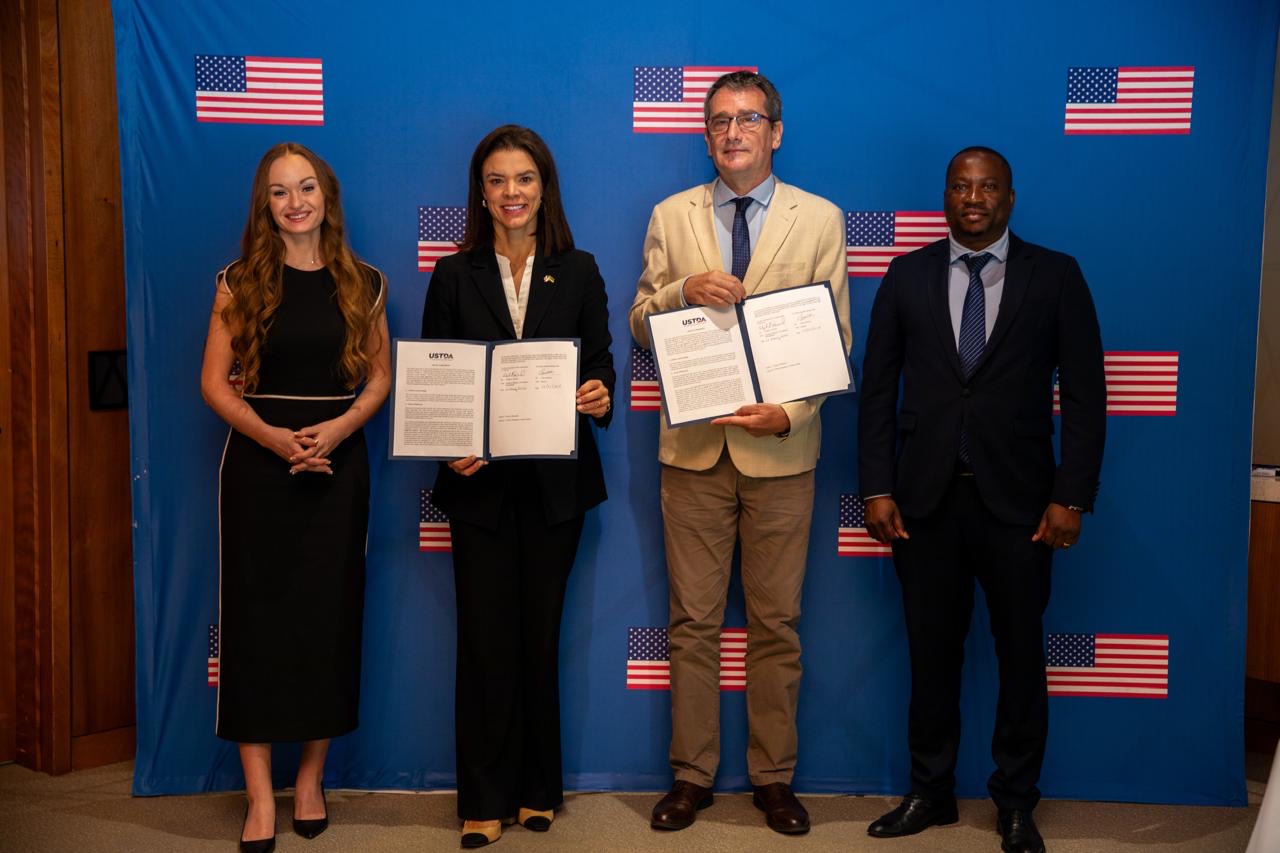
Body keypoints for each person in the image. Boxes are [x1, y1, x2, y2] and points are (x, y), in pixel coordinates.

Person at [858, 146, 1106, 853]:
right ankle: (930, 792)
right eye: (961, 186)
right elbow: (877, 390)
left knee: (1022, 656)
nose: (974, 197)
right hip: (924, 504)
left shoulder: (1055, 276)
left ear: (1010, 198)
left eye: (988, 186)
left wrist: (1071, 497)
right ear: (945, 195)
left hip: (1023, 508)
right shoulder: (906, 276)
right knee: (931, 656)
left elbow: (1087, 397)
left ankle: (1017, 801)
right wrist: (877, 484)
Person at [628, 70, 851, 836]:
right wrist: (682, 290)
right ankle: (691, 775)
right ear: (706, 134)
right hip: (692, 451)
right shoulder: (670, 215)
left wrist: (786, 412)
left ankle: (773, 777)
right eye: (720, 120)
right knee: (691, 622)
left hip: (782, 455)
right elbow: (637, 322)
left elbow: (836, 341)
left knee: (776, 623)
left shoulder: (820, 218)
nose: (733, 133)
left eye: (749, 119)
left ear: (776, 131)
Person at [420, 125, 614, 849]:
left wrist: (598, 394)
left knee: (539, 639)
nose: (511, 193)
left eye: (524, 179)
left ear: (544, 188)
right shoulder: (452, 274)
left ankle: (539, 789)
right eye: (497, 180)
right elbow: (437, 382)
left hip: (557, 489)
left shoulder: (582, 268)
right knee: (484, 642)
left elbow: (600, 366)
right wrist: (447, 449)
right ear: (480, 191)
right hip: (479, 491)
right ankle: (482, 797)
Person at [200, 142, 391, 852]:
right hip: (258, 471)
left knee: (326, 622)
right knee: (255, 628)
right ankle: (258, 797)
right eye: (280, 192)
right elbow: (214, 383)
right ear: (265, 205)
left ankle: (310, 778)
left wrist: (336, 430)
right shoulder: (237, 280)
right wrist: (276, 440)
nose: (295, 202)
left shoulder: (365, 281)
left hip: (338, 471)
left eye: (306, 187)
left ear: (326, 196)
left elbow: (377, 379)